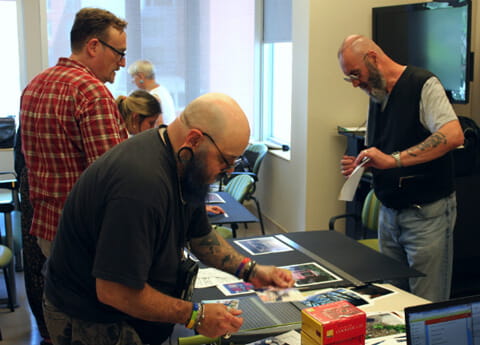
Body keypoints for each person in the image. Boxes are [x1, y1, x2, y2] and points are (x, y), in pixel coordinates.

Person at [43, 92, 294, 345]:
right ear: (194, 139)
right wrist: (196, 315)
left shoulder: (184, 163)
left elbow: (201, 236)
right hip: (92, 318)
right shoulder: (140, 185)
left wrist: (251, 271)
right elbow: (116, 291)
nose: (227, 171)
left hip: (128, 313)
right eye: (224, 160)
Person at [337, 34, 464, 302]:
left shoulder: (423, 84)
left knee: (425, 304)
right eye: (349, 78)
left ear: (372, 58)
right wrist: (363, 164)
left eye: (356, 74)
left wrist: (393, 160)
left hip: (425, 216)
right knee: (392, 302)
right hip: (389, 215)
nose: (355, 83)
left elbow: (453, 135)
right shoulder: (377, 93)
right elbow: (384, 152)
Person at [20, 7, 129, 258]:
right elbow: (112, 177)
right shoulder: (91, 92)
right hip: (85, 236)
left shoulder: (34, 85)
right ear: (93, 46)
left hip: (47, 231)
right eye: (119, 53)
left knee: (61, 297)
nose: (122, 62)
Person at [128, 59, 177, 124]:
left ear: (141, 76)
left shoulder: (153, 96)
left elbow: (158, 123)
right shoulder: (162, 90)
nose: (132, 81)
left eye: (133, 77)